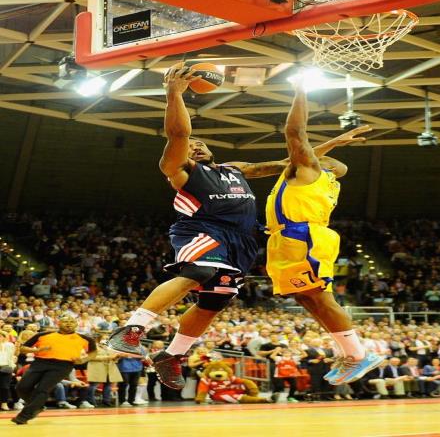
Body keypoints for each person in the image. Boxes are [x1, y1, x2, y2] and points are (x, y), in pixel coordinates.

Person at [106, 64, 369, 390]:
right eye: (191, 145)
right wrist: (174, 94)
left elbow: (288, 162)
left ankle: (172, 355)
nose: (196, 146)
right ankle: (133, 329)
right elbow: (178, 135)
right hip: (203, 229)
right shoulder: (181, 170)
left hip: (242, 241)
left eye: (201, 143)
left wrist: (333, 143)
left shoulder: (234, 169)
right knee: (199, 272)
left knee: (214, 301)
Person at [264, 79, 382, 385]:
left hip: (303, 237)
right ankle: (348, 351)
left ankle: (358, 354)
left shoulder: (308, 171)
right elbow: (297, 155)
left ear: (318, 164)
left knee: (319, 297)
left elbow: (295, 133)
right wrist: (334, 142)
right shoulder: (314, 176)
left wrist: (300, 90)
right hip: (288, 237)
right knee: (304, 297)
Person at [11, 316, 96, 425]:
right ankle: (37, 406)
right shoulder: (43, 335)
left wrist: (84, 359)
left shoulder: (85, 338)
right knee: (21, 387)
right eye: (65, 321)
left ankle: (24, 416)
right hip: (40, 363)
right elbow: (23, 348)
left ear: (76, 324)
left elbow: (93, 352)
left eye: (72, 321)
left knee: (42, 389)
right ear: (58, 323)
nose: (69, 323)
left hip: (63, 365)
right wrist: (37, 350)